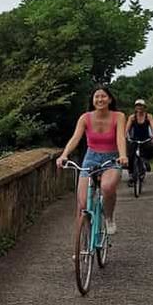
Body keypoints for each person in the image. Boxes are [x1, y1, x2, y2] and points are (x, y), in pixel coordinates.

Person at [56, 86, 128, 236]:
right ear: (92, 100)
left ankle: (109, 218)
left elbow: (120, 138)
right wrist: (64, 155)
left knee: (107, 187)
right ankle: (88, 237)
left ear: (110, 99)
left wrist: (123, 155)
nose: (100, 99)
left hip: (112, 157)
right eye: (97, 97)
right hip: (91, 158)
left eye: (103, 96)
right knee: (82, 203)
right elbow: (75, 138)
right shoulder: (85, 118)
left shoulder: (119, 116)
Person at [125, 99, 153, 186]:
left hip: (145, 138)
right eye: (137, 106)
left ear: (144, 107)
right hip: (134, 139)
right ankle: (131, 175)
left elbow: (152, 125)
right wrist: (126, 136)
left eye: (141, 106)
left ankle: (145, 163)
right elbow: (127, 129)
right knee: (131, 156)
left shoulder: (148, 116)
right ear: (135, 108)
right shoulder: (132, 117)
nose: (139, 108)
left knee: (148, 149)